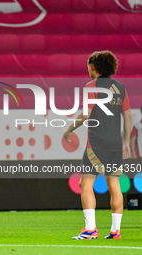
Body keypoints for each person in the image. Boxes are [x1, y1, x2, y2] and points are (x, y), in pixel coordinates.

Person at [63, 51, 132, 240]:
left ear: (93, 67)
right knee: (114, 185)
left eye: (88, 66)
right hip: (115, 144)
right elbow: (127, 116)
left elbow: (86, 114)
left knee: (85, 184)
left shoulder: (91, 86)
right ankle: (115, 231)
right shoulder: (120, 88)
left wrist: (69, 129)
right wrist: (125, 142)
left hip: (96, 143)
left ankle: (90, 229)